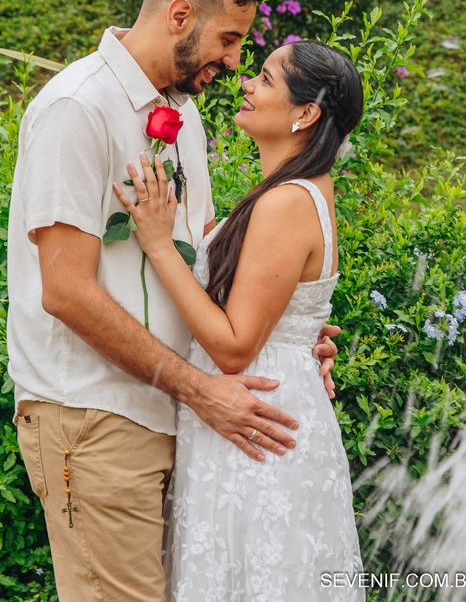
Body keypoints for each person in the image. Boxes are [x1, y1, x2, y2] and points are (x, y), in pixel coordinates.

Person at [7, 0, 339, 602]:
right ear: (180, 16)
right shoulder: (77, 109)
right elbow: (66, 291)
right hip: (95, 418)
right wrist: (197, 387)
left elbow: (202, 255)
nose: (235, 62)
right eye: (230, 39)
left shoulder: (183, 118)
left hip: (178, 421)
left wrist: (292, 338)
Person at [114, 39, 365, 600]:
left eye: (267, 79)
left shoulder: (287, 202)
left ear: (306, 113)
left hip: (254, 422)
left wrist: (158, 244)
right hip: (265, 408)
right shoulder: (293, 192)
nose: (247, 84)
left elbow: (234, 347)